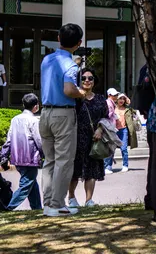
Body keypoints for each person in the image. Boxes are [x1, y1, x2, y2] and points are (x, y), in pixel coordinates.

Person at [39, 23, 84, 217]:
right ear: (79, 43)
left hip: (45, 112)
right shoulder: (71, 65)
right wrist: (81, 92)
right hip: (63, 113)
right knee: (64, 160)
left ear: (58, 38)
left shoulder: (46, 60)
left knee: (49, 160)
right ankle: (57, 204)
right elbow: (68, 90)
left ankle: (48, 203)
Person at [68, 68, 107, 208]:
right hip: (76, 138)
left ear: (94, 81)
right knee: (74, 170)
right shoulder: (74, 99)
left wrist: (100, 129)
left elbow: (105, 117)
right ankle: (71, 197)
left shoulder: (101, 99)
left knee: (91, 170)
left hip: (94, 139)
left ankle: (88, 200)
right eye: (83, 78)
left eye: (90, 78)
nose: (87, 81)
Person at [5, 94, 43, 210]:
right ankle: (8, 207)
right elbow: (38, 140)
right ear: (36, 107)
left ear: (23, 105)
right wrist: (45, 154)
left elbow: (9, 139)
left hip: (17, 158)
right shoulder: (34, 120)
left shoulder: (14, 119)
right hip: (30, 158)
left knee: (31, 183)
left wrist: (4, 156)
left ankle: (37, 208)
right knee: (26, 185)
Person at [104, 94, 137, 174]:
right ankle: (108, 167)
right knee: (111, 149)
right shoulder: (112, 107)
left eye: (123, 99)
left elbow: (135, 112)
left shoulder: (127, 109)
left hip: (123, 130)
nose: (121, 100)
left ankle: (125, 165)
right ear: (116, 100)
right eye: (120, 98)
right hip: (114, 130)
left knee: (124, 149)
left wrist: (130, 103)